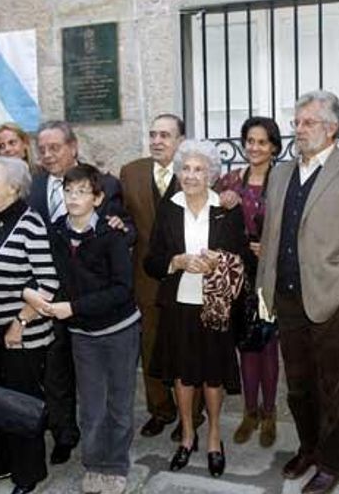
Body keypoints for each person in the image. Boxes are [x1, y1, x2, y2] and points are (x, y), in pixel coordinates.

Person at [256, 90, 339, 494]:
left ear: (332, 128)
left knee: (333, 386)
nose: (298, 129)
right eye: (297, 122)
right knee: (298, 384)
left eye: (307, 122)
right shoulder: (280, 173)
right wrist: (265, 289)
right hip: (287, 297)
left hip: (331, 296)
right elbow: (271, 234)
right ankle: (308, 448)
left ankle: (331, 463)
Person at [28, 120, 134, 465]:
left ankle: (114, 458)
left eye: (54, 147)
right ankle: (67, 437)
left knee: (114, 394)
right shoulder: (35, 186)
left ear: (73, 146)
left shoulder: (106, 189)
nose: (47, 154)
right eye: (41, 149)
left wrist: (120, 227)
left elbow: (123, 233)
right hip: (58, 306)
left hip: (105, 314)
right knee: (61, 376)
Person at [144, 140, 248, 478]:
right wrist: (175, 261)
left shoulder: (226, 209)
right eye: (185, 168)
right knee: (183, 374)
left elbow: (244, 259)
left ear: (212, 174)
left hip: (215, 307)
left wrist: (219, 263)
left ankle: (215, 437)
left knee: (213, 376)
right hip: (178, 306)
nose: (191, 175)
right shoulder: (168, 207)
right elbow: (151, 261)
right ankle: (187, 436)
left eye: (199, 169)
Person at [0, 156, 60, 494]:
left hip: (23, 336)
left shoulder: (31, 225)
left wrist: (19, 321)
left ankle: (28, 474)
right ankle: (0, 464)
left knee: (20, 405)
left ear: (14, 187)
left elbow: (48, 283)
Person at [45, 165, 141, 494]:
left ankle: (115, 464)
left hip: (119, 330)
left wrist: (73, 308)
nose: (73, 198)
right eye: (68, 191)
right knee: (90, 403)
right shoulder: (56, 232)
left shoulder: (110, 236)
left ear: (98, 198)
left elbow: (122, 289)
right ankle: (93, 461)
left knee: (119, 400)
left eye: (82, 192)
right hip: (82, 334)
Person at [121, 114, 205, 442]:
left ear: (181, 141)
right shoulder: (130, 173)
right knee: (151, 345)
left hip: (189, 277)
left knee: (191, 347)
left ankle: (193, 415)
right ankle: (161, 409)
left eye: (165, 135)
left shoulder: (196, 171)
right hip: (147, 277)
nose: (157, 141)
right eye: (153, 134)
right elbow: (122, 217)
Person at [215, 116, 282, 447]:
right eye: (250, 141)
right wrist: (223, 203)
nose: (255, 148)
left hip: (270, 274)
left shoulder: (284, 179)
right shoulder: (229, 180)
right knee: (246, 345)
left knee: (268, 345)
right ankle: (249, 412)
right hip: (239, 274)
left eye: (262, 142)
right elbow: (210, 220)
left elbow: (297, 226)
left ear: (273, 147)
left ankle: (270, 413)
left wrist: (271, 247)